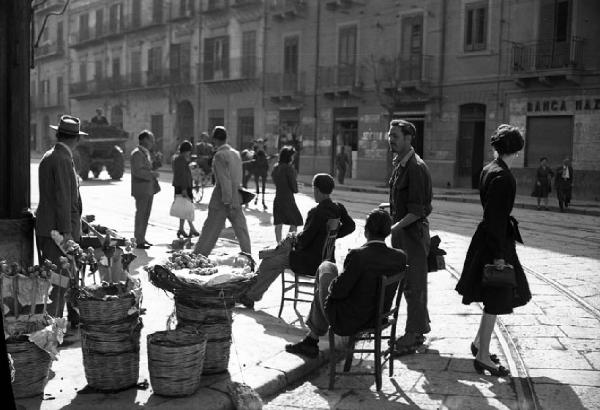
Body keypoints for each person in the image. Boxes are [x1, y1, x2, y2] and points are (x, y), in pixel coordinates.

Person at [456, 124, 532, 377]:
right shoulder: (503, 176)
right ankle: (483, 357)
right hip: (495, 241)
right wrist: (499, 254)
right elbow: (496, 217)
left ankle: (480, 343)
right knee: (496, 298)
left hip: (489, 237)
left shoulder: (489, 169)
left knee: (494, 296)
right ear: (515, 150)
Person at [285, 209, 406, 358]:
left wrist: (341, 275)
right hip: (379, 317)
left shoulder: (358, 255)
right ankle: (311, 339)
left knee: (326, 267)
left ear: (366, 231)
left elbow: (337, 291)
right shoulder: (400, 257)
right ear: (388, 232)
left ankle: (312, 339)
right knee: (329, 270)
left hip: (349, 320)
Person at [241, 173, 355, 308]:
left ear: (316, 190)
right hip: (327, 259)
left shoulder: (316, 212)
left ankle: (251, 296)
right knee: (275, 254)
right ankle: (252, 293)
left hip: (310, 262)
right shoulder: (338, 208)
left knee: (270, 261)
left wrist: (293, 239)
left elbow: (303, 242)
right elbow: (350, 226)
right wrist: (331, 235)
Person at [387, 119, 433, 356]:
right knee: (409, 284)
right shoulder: (401, 164)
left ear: (408, 139)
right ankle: (420, 327)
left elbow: (417, 211)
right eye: (390, 135)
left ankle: (413, 334)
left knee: (414, 285)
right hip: (404, 234)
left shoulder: (415, 167)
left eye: (395, 136)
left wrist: (393, 227)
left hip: (412, 236)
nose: (390, 140)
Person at [35, 115, 85, 324]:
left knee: (56, 279)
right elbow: (64, 198)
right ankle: (53, 327)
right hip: (59, 232)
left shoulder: (49, 155)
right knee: (60, 280)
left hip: (48, 227)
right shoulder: (63, 159)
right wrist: (68, 235)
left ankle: (60, 319)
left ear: (58, 134)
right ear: (76, 139)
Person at [193, 126, 251, 257]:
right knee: (242, 230)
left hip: (222, 199)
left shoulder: (220, 155)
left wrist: (227, 201)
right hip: (237, 196)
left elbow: (225, 181)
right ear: (226, 138)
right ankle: (248, 257)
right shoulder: (235, 153)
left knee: (210, 231)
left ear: (214, 140)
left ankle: (198, 257)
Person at [130, 130, 161, 249]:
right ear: (144, 140)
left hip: (148, 188)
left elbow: (147, 167)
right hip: (141, 188)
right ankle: (138, 239)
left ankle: (142, 238)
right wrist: (152, 174)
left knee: (146, 215)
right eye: (151, 139)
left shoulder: (145, 153)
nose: (152, 142)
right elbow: (138, 172)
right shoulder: (137, 153)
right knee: (141, 214)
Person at [272, 146, 303, 243]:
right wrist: (297, 186)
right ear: (289, 157)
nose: (293, 158)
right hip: (288, 199)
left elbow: (276, 182)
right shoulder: (289, 169)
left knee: (278, 223)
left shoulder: (276, 168)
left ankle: (279, 244)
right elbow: (294, 188)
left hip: (278, 198)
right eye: (292, 156)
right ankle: (288, 244)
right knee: (295, 221)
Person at [172, 140, 200, 238]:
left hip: (183, 186)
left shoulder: (181, 159)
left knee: (184, 208)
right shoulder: (181, 160)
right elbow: (182, 175)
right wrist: (184, 189)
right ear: (186, 150)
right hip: (183, 187)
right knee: (187, 208)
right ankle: (191, 228)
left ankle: (181, 229)